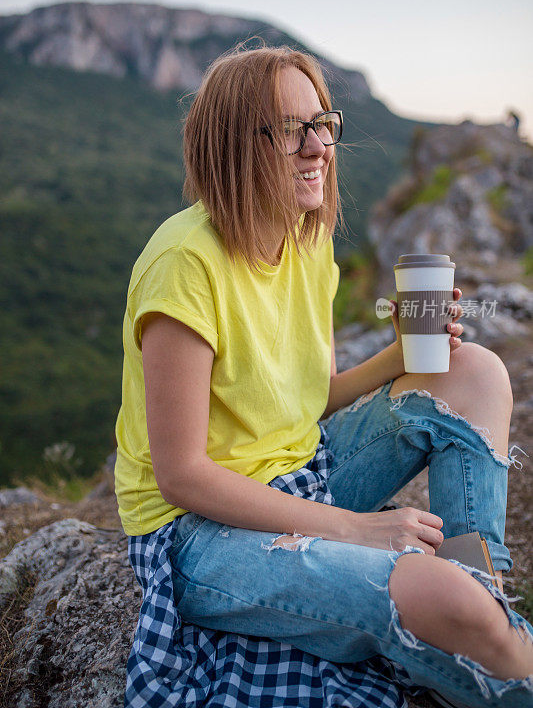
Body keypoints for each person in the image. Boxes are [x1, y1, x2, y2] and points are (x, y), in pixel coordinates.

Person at [115, 45, 533, 708]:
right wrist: (352, 530)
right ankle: (477, 628)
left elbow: (308, 399)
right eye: (288, 130)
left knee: (475, 371)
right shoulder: (183, 266)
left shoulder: (305, 237)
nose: (316, 147)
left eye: (321, 123)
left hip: (301, 469)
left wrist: (396, 357)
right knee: (441, 596)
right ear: (232, 144)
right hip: (199, 531)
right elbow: (182, 476)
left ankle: (480, 592)